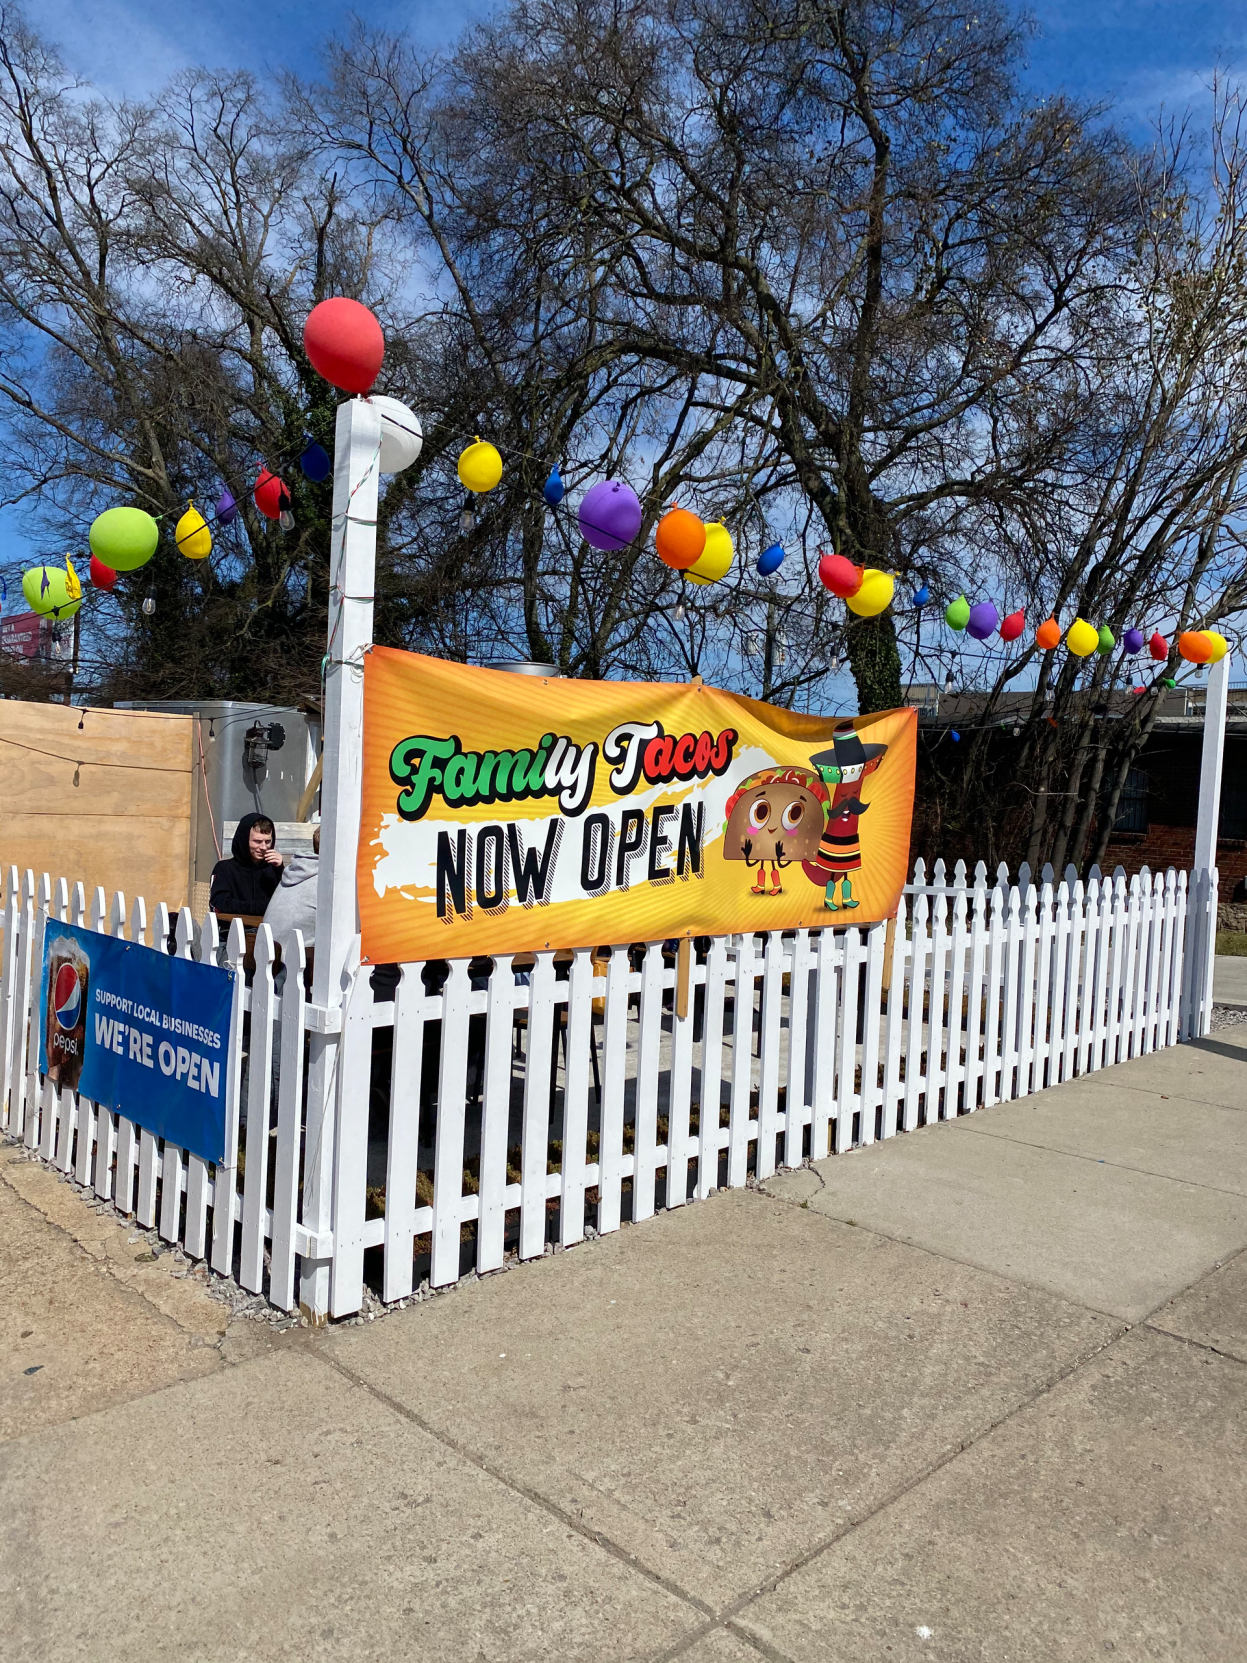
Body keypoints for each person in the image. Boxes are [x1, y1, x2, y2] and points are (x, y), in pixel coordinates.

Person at [209, 812, 283, 917]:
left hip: (268, 931)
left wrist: (280, 870)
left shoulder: (274, 869)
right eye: (257, 841)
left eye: (267, 842)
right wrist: (262, 908)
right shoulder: (225, 868)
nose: (263, 847)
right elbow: (219, 904)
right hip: (232, 931)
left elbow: (287, 905)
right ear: (244, 840)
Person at [263, 825, 319, 954]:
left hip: (269, 955)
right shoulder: (328, 881)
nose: (264, 847)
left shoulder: (295, 870)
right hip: (294, 963)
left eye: (267, 841)